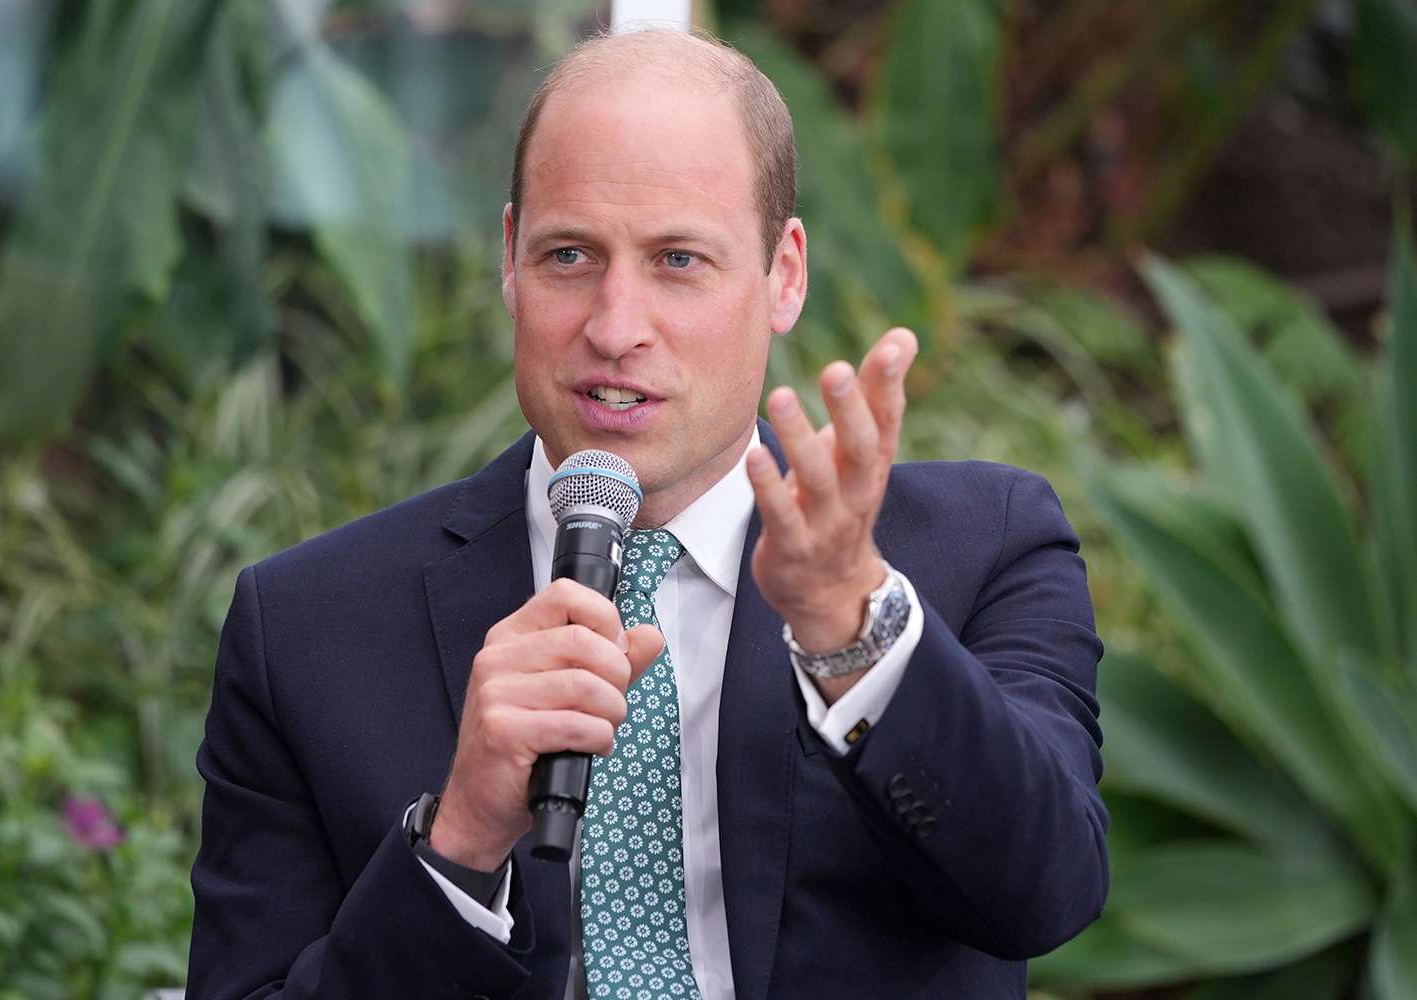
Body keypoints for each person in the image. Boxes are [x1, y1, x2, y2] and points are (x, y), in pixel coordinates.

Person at [186, 27, 1107, 1000]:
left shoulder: (978, 547)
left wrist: (855, 636)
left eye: (678, 260)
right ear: (509, 260)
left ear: (783, 274)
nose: (615, 327)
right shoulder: (305, 628)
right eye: (570, 254)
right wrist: (457, 847)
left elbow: (1044, 894)